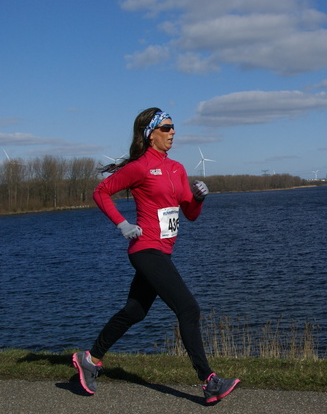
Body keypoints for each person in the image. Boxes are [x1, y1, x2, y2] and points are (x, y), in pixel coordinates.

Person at [72, 107, 239, 404]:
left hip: (163, 251)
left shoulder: (177, 168)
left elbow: (189, 214)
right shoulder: (140, 167)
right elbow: (101, 192)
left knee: (134, 311)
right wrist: (122, 224)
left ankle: (90, 358)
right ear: (150, 134)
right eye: (166, 127)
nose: (173, 132)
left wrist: (198, 198)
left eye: (174, 127)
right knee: (188, 309)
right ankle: (209, 381)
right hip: (145, 250)